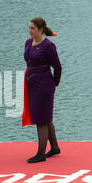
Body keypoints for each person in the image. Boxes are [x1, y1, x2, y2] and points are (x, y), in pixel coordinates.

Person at [22, 17, 62, 163]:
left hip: (44, 84)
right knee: (45, 117)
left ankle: (41, 153)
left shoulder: (48, 46)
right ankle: (55, 147)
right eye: (29, 27)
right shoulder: (28, 42)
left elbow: (57, 67)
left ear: (40, 30)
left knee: (41, 119)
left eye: (33, 28)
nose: (30, 31)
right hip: (32, 83)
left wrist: (54, 83)